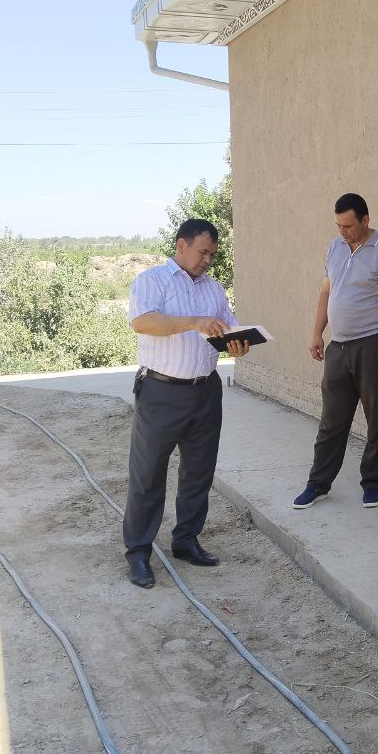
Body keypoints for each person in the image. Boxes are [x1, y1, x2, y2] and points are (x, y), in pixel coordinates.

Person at [123, 218, 249, 589]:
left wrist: (237, 343)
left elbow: (229, 327)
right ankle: (139, 552)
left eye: (212, 254)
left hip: (206, 391)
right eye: (202, 252)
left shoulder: (214, 289)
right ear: (182, 245)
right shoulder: (152, 281)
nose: (208, 260)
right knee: (148, 475)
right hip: (161, 392)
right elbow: (144, 322)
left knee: (198, 471)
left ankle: (186, 540)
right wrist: (193, 322)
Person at [292, 194, 378, 511]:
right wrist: (317, 332)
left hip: (372, 345)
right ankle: (318, 484)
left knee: (376, 420)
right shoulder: (335, 247)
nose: (342, 232)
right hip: (338, 347)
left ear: (365, 220)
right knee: (331, 420)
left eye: (348, 226)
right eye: (338, 225)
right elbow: (327, 291)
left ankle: (372, 483)